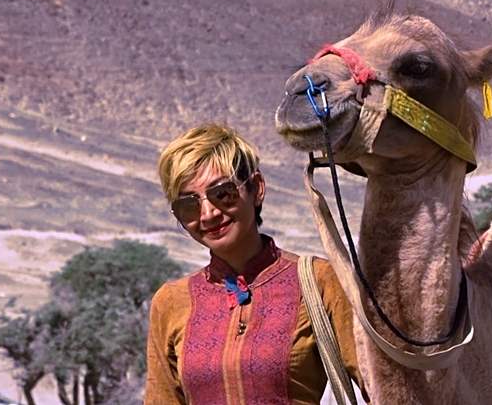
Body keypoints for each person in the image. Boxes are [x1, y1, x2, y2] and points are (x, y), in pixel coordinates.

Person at [145, 124, 365, 404]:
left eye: (223, 193)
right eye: (189, 205)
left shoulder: (319, 281)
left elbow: (381, 386)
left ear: (256, 188)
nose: (209, 214)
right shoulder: (171, 302)